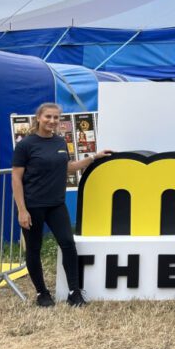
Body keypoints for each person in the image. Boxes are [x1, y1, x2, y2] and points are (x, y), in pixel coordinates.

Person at [12, 102, 112, 307]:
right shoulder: (25, 145)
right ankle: (42, 293)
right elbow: (16, 178)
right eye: (48, 117)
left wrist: (93, 158)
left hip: (56, 204)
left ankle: (74, 292)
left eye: (56, 117)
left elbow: (67, 167)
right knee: (34, 249)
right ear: (38, 117)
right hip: (32, 206)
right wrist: (22, 210)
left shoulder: (60, 142)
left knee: (68, 244)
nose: (52, 121)